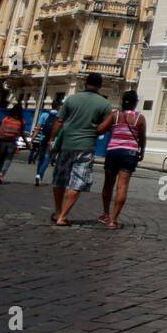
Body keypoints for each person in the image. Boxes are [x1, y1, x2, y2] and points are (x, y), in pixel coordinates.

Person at [48, 73, 111, 226]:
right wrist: (93, 131)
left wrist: (51, 140)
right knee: (78, 182)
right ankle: (63, 216)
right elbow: (103, 128)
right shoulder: (104, 104)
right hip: (86, 146)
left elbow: (59, 122)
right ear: (100, 85)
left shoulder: (71, 99)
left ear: (85, 83)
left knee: (60, 179)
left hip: (66, 144)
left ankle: (57, 211)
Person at [96, 90, 146, 230]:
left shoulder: (115, 115)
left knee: (108, 184)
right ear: (135, 103)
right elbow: (142, 138)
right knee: (122, 186)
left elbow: (100, 129)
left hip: (113, 151)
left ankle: (105, 213)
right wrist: (141, 152)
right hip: (130, 153)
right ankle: (114, 220)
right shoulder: (139, 118)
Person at [33, 98, 61, 186]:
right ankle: (39, 175)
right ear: (58, 107)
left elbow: (38, 128)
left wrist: (32, 138)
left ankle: (38, 176)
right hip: (53, 140)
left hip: (43, 138)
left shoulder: (44, 114)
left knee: (41, 158)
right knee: (47, 158)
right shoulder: (60, 116)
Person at [0, 105, 24, 184]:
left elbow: (0, 131)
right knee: (8, 160)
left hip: (3, 141)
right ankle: (2, 174)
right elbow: (22, 133)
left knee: (1, 159)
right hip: (12, 142)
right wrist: (27, 144)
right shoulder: (21, 121)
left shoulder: (6, 119)